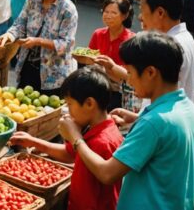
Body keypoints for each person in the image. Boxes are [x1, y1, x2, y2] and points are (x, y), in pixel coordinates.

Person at [59, 32, 194, 210]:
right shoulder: (188, 108)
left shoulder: (153, 124)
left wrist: (75, 137)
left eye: (130, 73)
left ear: (150, 73)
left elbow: (107, 173)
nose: (129, 80)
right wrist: (138, 119)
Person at [9, 68, 123, 210]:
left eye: (70, 104)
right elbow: (70, 154)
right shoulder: (98, 130)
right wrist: (33, 141)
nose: (68, 111)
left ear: (89, 104)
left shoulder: (103, 142)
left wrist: (74, 136)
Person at [0, 0, 83, 96]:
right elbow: (20, 24)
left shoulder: (68, 9)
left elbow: (66, 44)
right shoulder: (32, 0)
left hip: (53, 73)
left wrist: (38, 42)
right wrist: (10, 34)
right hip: (28, 66)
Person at [136, 0, 194, 107]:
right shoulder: (185, 37)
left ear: (160, 13)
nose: (140, 17)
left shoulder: (169, 47)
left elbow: (159, 96)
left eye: (143, 10)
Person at [86, 0, 137, 111]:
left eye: (113, 13)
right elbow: (89, 60)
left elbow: (131, 77)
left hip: (120, 92)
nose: (108, 16)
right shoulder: (98, 34)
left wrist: (111, 67)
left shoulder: (131, 40)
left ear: (124, 16)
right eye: (106, 11)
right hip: (98, 87)